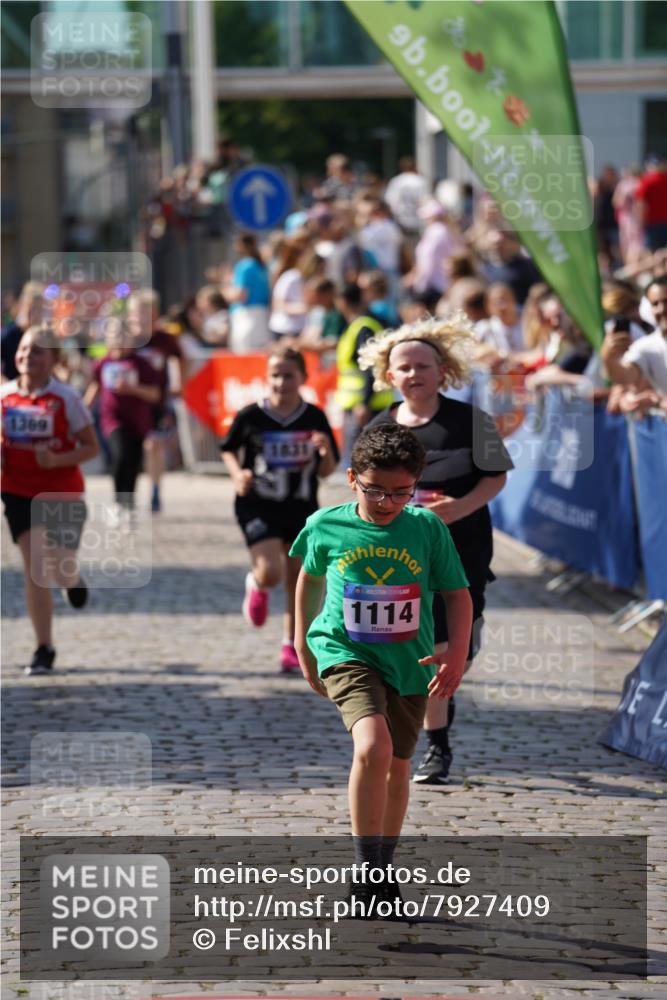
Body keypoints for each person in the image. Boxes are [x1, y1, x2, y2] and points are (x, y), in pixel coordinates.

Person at [291, 423, 472, 908]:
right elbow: (307, 579)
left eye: (401, 492)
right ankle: (365, 867)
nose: (388, 502)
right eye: (375, 490)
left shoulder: (427, 527)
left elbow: (457, 593)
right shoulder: (326, 524)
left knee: (397, 766)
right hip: (346, 650)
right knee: (373, 745)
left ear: (415, 486)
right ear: (352, 478)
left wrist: (456, 651)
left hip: (409, 659)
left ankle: (381, 869)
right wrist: (302, 642)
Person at [360, 318, 513, 784]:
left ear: (441, 370)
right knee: (430, 650)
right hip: (401, 563)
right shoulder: (379, 426)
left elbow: (497, 476)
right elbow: (363, 489)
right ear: (389, 375)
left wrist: (459, 507)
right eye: (403, 367)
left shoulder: (471, 421)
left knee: (455, 653)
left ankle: (436, 723)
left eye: (422, 366)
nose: (413, 374)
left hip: (462, 555)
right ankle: (436, 750)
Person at [220, 345, 338, 673]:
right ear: (266, 377)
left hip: (301, 507)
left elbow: (326, 471)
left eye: (288, 375)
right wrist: (238, 474)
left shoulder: (314, 417)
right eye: (275, 374)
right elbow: (228, 448)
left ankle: (290, 644)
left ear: (302, 377)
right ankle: (257, 585)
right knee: (271, 571)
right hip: (258, 504)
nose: (280, 382)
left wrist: (325, 452)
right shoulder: (251, 415)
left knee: (297, 580)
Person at [1, 324, 99, 675]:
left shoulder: (65, 397)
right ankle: (44, 647)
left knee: (59, 566)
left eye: (37, 351)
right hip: (16, 490)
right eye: (24, 350)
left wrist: (55, 460)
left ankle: (72, 581)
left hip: (61, 491)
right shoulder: (4, 396)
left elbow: (91, 446)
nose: (28, 357)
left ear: (53, 359)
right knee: (35, 567)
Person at [84, 319, 161, 520]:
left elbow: (154, 394)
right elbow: (95, 388)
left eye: (122, 336)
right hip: (112, 419)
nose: (118, 341)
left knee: (133, 462)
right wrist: (82, 411)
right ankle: (118, 503)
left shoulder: (141, 363)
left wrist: (132, 389)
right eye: (113, 335)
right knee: (120, 455)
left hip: (137, 421)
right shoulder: (102, 363)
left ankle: (128, 503)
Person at [127, 289, 187, 513]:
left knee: (153, 445)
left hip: (156, 403)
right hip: (129, 405)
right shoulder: (127, 339)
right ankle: (128, 492)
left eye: (148, 315)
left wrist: (178, 384)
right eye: (138, 315)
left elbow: (181, 359)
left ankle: (154, 489)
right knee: (131, 450)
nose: (143, 320)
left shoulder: (165, 339)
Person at [335, 284, 394, 467]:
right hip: (362, 403)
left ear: (342, 302)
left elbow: (370, 367)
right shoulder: (359, 325)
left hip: (367, 405)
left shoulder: (363, 327)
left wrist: (364, 402)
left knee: (361, 462)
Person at [600, 275, 667, 397]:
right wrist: (609, 359)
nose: (662, 309)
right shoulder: (646, 346)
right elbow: (625, 375)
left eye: (666, 301)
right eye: (655, 304)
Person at [222, 232, 271, 353]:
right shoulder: (260, 266)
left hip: (246, 317)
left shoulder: (245, 266)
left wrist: (224, 286)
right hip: (262, 317)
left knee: (245, 358)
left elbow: (239, 295)